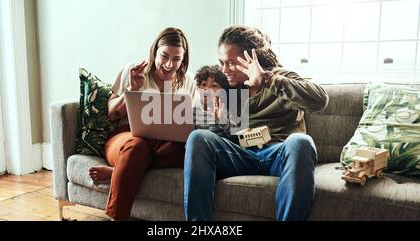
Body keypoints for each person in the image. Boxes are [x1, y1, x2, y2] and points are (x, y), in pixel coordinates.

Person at [184, 26, 329, 221]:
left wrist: (266, 79)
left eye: (231, 63)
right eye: (222, 63)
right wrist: (222, 121)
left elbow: (320, 99)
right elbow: (230, 136)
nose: (224, 70)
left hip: (278, 154)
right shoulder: (229, 87)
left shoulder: (278, 77)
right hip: (242, 154)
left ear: (250, 60)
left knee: (301, 142)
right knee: (199, 138)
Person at [89, 27, 196, 220]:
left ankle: (121, 170)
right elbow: (112, 114)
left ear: (183, 60)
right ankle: (117, 217)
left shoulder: (187, 82)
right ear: (155, 51)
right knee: (137, 147)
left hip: (164, 142)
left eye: (177, 59)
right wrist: (131, 90)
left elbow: (190, 121)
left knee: (191, 148)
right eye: (164, 56)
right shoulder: (135, 71)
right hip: (128, 137)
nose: (169, 64)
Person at [193, 65, 234, 140]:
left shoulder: (227, 112)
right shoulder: (194, 113)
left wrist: (221, 120)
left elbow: (236, 138)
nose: (207, 89)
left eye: (214, 86)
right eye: (204, 84)